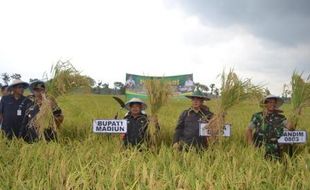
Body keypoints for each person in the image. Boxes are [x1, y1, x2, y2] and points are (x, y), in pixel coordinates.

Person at [246, 95, 290, 160]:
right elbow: (248, 129)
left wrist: (295, 116)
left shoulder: (281, 117)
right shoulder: (257, 116)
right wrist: (251, 145)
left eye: (274, 102)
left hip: (276, 150)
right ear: (265, 104)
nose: (272, 104)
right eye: (270, 102)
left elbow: (290, 128)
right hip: (260, 149)